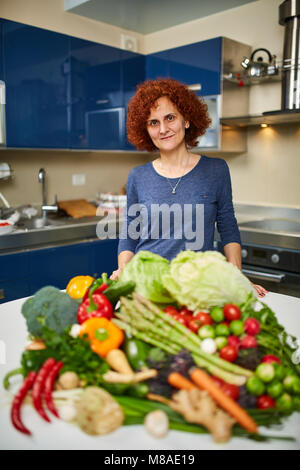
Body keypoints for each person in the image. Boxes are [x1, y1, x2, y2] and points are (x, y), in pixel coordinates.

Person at [111, 78, 267, 298]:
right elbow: (130, 233)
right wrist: (123, 270)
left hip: (197, 286)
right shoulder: (138, 176)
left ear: (186, 120)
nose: (163, 129)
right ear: (146, 130)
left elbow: (228, 225)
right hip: (147, 286)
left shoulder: (216, 170)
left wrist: (236, 275)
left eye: (170, 118)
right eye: (153, 122)